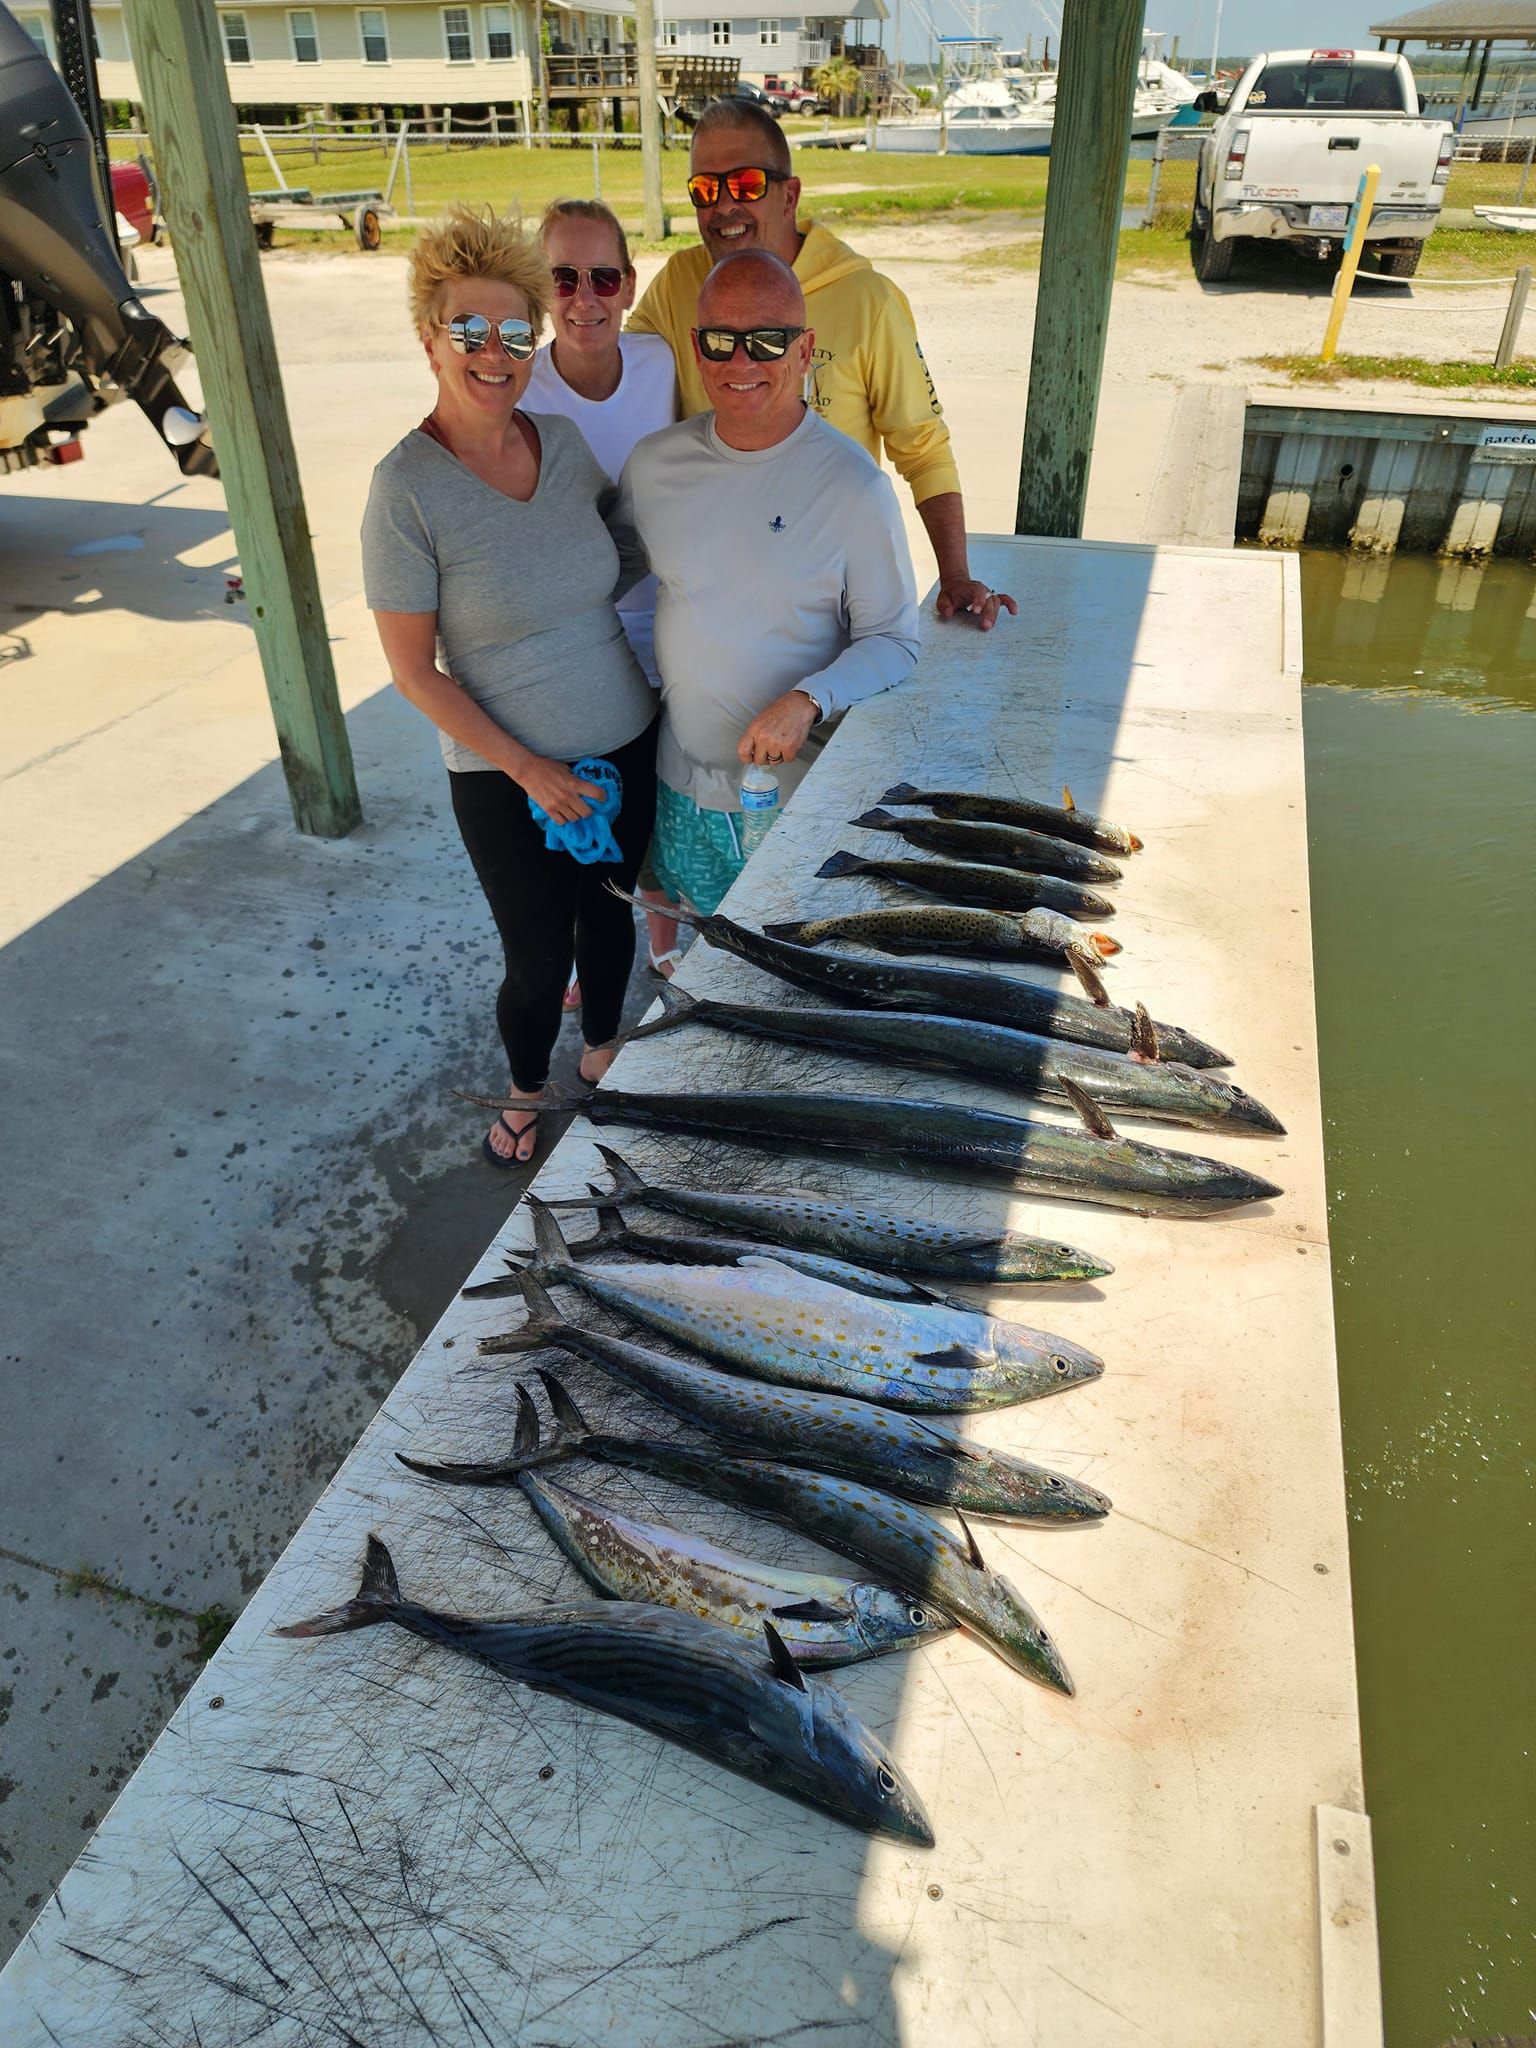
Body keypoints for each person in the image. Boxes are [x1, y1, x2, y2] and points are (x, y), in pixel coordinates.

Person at [361, 204, 658, 1168]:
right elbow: (412, 672)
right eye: (470, 331)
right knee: (536, 959)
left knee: (610, 914)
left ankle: (606, 1050)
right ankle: (526, 1088)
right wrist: (530, 767)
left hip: (625, 737)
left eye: (514, 333)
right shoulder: (404, 487)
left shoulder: (563, 446)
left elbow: (620, 548)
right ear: (428, 339)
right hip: (504, 776)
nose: (496, 353)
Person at [627, 97, 1017, 634]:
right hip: (716, 595)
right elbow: (615, 380)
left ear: (790, 195)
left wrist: (955, 575)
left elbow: (923, 448)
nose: (722, 207)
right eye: (704, 190)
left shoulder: (866, 298)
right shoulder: (678, 283)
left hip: (834, 600)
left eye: (744, 185)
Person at [617, 249, 919, 915]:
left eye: (767, 341)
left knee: (784, 975)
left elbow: (895, 640)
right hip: (681, 787)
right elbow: (600, 580)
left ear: (806, 350)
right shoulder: (653, 466)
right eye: (721, 342)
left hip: (790, 803)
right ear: (697, 349)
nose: (741, 363)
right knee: (703, 952)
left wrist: (807, 698)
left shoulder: (854, 487)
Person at [523, 198, 685, 982]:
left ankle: (658, 944)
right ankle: (588, 959)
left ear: (629, 283)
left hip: (671, 622)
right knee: (586, 807)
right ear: (539, 287)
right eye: (563, 277)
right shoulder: (517, 389)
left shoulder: (664, 364)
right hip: (576, 638)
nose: (584, 297)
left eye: (603, 276)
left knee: (655, 802)